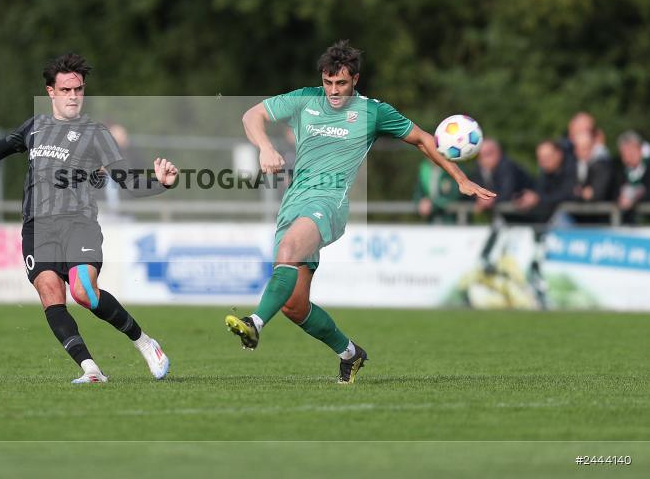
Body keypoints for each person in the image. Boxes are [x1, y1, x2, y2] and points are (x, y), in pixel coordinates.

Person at [224, 40, 495, 383]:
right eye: (328, 82)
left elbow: (424, 139)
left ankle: (254, 323)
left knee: (288, 252)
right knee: (294, 306)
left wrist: (460, 178)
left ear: (355, 80)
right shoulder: (306, 99)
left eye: (341, 83)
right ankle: (350, 354)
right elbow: (252, 115)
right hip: (293, 202)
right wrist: (264, 146)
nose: (333, 91)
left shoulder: (373, 112)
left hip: (329, 202)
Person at [0, 53, 179, 384]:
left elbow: (127, 181)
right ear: (51, 92)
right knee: (51, 292)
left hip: (78, 223)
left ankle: (146, 343)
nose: (73, 96)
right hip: (37, 228)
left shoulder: (96, 133)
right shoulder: (34, 127)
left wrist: (161, 184)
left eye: (78, 90)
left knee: (84, 293)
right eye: (66, 90)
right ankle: (91, 369)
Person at [513, 140, 575, 224]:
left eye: (547, 157)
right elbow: (540, 191)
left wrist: (538, 199)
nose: (543, 161)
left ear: (559, 154)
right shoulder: (546, 172)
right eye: (540, 158)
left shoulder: (573, 168)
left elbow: (567, 193)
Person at [470, 138, 533, 216]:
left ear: (498, 153)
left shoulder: (507, 166)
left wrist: (489, 199)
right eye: (480, 155)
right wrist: (480, 198)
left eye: (487, 154)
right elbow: (473, 190)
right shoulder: (480, 169)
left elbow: (507, 192)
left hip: (529, 215)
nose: (483, 159)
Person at [614, 130, 650, 224]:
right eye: (625, 151)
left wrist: (635, 198)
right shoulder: (618, 171)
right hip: (628, 223)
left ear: (640, 149)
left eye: (632, 150)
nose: (629, 155)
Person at [414, 159, 460, 224]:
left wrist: (432, 204)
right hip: (430, 219)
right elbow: (418, 192)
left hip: (450, 220)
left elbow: (453, 195)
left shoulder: (452, 169)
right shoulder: (424, 168)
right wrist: (420, 202)